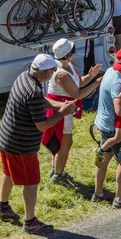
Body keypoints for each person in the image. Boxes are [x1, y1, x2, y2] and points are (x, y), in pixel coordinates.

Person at [0, 54, 77, 234]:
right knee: (32, 183)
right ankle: (30, 223)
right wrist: (62, 113)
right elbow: (42, 124)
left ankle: (2, 208)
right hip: (21, 146)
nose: (55, 72)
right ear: (46, 72)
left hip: (6, 139)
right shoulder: (33, 92)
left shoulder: (24, 77)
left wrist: (60, 106)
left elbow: (41, 102)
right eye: (53, 70)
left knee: (8, 173)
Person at [44, 39, 102, 186]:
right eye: (73, 50)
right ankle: (58, 175)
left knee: (60, 140)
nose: (75, 52)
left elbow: (79, 82)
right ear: (68, 54)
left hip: (65, 107)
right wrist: (96, 83)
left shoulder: (68, 65)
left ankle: (56, 169)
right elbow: (78, 94)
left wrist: (90, 76)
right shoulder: (61, 74)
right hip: (61, 109)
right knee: (65, 142)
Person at [92, 47, 121, 208]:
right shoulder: (118, 82)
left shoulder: (110, 71)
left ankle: (98, 193)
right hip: (113, 127)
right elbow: (119, 109)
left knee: (105, 158)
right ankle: (119, 199)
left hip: (103, 124)